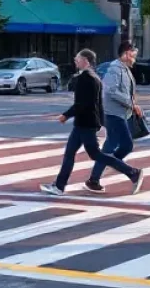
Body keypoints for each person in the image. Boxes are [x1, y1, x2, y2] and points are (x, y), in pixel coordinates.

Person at [41, 49, 138, 196]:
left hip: (85, 124)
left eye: (77, 58)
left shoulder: (85, 79)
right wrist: (100, 123)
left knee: (96, 155)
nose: (75, 60)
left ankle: (132, 172)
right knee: (70, 153)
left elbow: (82, 104)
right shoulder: (95, 78)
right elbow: (98, 104)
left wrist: (65, 115)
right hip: (85, 123)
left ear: (85, 60)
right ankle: (59, 186)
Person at [84, 41, 146, 195]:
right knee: (125, 145)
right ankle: (132, 173)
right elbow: (110, 91)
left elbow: (125, 92)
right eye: (133, 53)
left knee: (113, 147)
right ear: (126, 53)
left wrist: (133, 105)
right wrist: (131, 104)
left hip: (120, 114)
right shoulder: (115, 69)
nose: (135, 56)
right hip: (113, 114)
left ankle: (95, 179)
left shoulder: (125, 69)